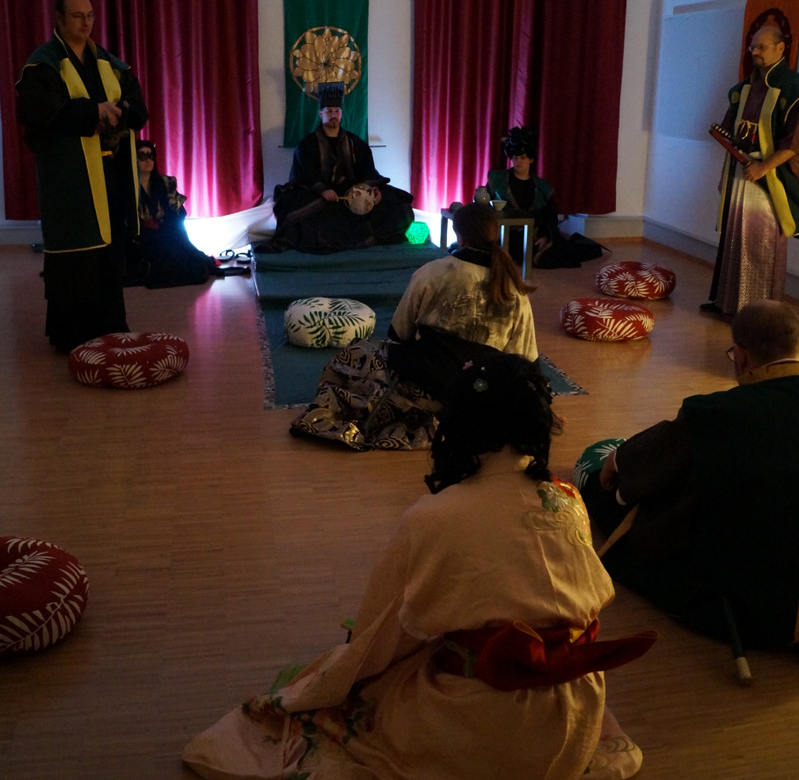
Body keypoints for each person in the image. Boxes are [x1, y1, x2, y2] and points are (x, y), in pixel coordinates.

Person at [183, 354, 654, 780]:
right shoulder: (567, 501)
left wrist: (329, 679)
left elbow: (376, 638)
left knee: (371, 693)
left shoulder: (434, 517)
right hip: (571, 728)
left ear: (458, 424)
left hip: (478, 743)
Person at [580, 299, 799, 649]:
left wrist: (618, 460)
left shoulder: (717, 413)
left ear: (742, 356)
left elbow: (650, 468)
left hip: (759, 605)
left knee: (606, 492)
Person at [289, 202, 539, 450]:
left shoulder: (432, 272)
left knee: (357, 352)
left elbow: (398, 334)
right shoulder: (515, 290)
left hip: (427, 385)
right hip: (480, 393)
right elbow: (525, 360)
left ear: (460, 236)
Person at [16, 0, 148, 352]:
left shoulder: (109, 63)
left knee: (109, 250)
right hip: (70, 178)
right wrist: (94, 111)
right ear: (59, 19)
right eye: (77, 16)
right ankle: (72, 334)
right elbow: (42, 114)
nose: (86, 22)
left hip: (111, 174)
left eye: (90, 15)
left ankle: (111, 325)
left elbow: (138, 108)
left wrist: (116, 112)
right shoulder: (43, 65)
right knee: (77, 253)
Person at [702, 24, 799, 315]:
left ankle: (758, 314)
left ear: (781, 48)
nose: (755, 51)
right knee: (733, 238)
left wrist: (763, 167)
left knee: (761, 244)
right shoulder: (745, 87)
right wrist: (726, 174)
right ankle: (728, 304)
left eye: (761, 47)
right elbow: (730, 132)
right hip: (740, 170)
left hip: (769, 176)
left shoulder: (793, 88)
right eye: (752, 46)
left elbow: (794, 142)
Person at [267, 82, 414, 252]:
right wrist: (323, 190)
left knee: (397, 199)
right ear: (321, 114)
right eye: (329, 111)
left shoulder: (355, 143)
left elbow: (368, 171)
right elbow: (304, 175)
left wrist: (372, 189)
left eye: (337, 111)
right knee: (290, 205)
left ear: (341, 114)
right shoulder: (307, 145)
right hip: (321, 196)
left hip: (353, 194)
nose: (333, 115)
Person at [486, 126, 605, 267]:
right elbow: (484, 204)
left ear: (531, 159)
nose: (518, 161)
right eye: (516, 157)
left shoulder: (541, 187)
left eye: (523, 158)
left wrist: (545, 236)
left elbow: (549, 216)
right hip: (504, 234)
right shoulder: (498, 180)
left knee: (556, 255)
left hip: (532, 235)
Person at [125, 139, 222, 288]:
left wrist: (166, 228)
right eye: (142, 156)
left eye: (151, 156)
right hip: (142, 238)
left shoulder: (165, 183)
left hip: (166, 233)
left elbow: (178, 212)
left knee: (193, 265)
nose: (148, 160)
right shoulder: (128, 187)